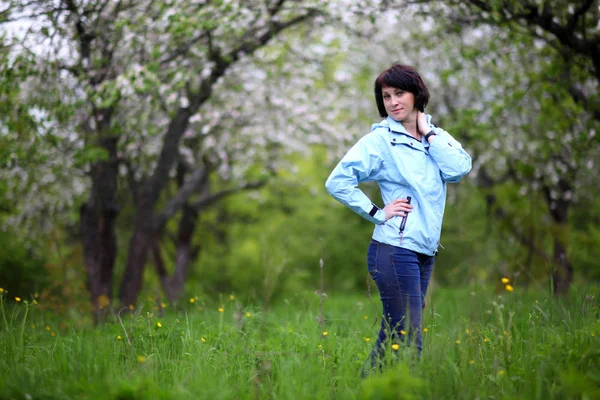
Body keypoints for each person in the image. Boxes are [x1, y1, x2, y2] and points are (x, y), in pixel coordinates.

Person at [325, 63, 472, 373]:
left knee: (396, 335)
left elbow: (458, 169)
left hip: (423, 252)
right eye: (386, 96)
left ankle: (369, 390)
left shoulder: (436, 138)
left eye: (399, 93)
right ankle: (390, 390)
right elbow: (337, 182)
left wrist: (428, 132)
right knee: (408, 339)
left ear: (416, 95)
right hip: (393, 250)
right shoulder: (380, 141)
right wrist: (378, 213)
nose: (392, 102)